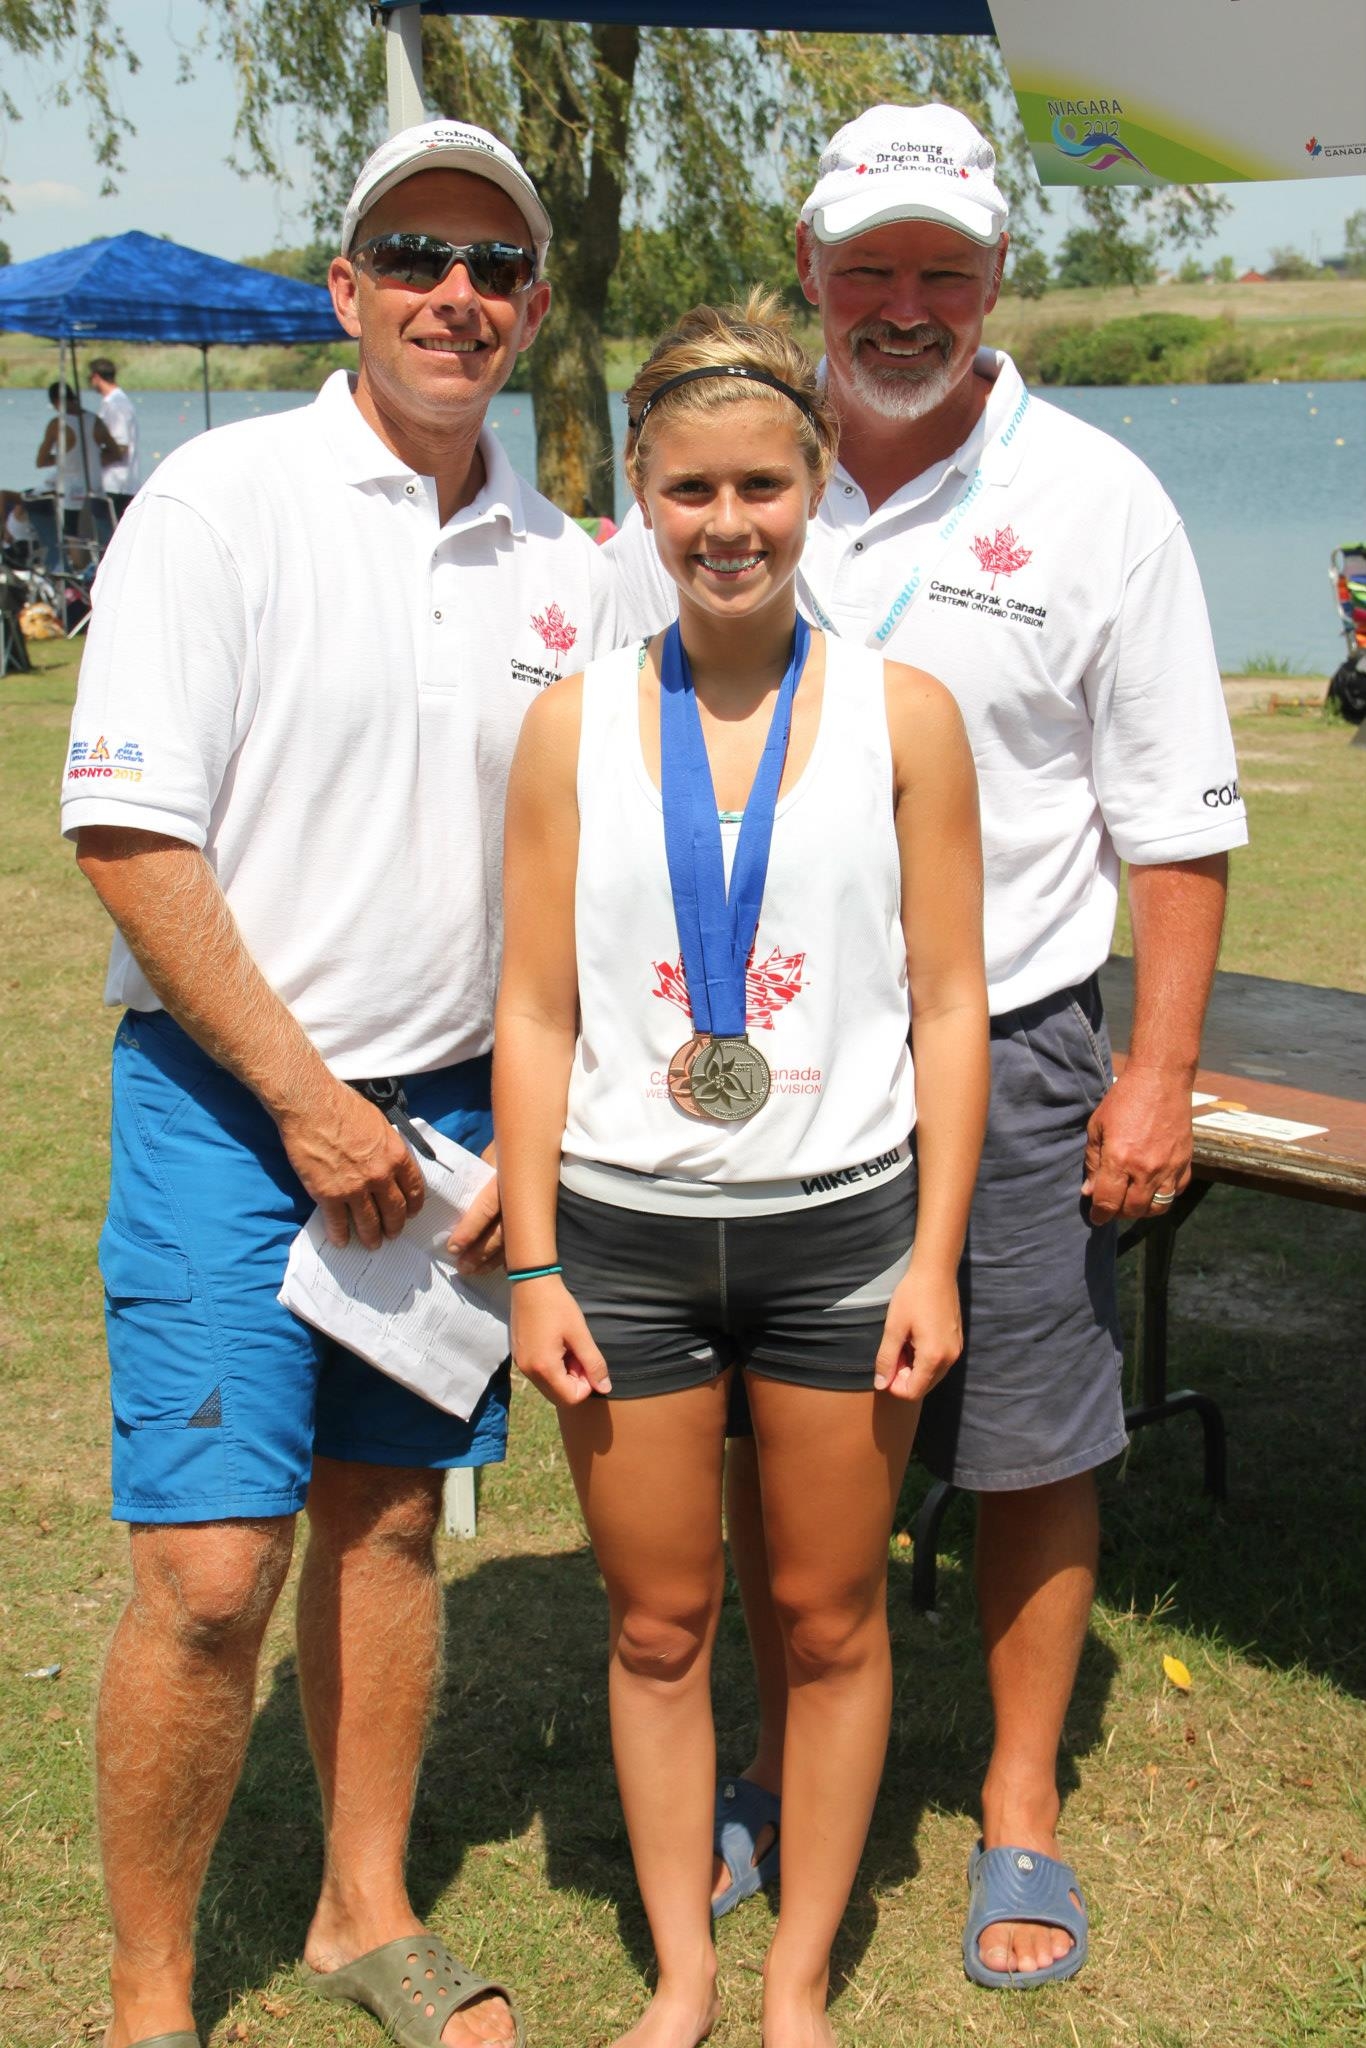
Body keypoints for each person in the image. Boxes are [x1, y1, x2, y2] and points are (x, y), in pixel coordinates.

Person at [605, 101, 1248, 1989]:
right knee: (757, 1416)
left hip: (1022, 1037)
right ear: (810, 268)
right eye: (868, 269)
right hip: (750, 1056)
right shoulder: (724, 463)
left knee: (1031, 1427)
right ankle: (757, 1757)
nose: (903, 305)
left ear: (994, 279)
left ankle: (1021, 1797)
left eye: (940, 272)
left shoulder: (1101, 495)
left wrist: (1156, 1069)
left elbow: (1180, 818)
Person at [62, 117, 616, 2048]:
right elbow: (130, 832)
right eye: (414, 253)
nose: (453, 291)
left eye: (490, 263)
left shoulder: (572, 562)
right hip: (236, 1102)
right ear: (348, 290)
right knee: (214, 1571)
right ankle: (149, 1995)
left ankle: (356, 1912)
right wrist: (305, 1101)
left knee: (386, 1526)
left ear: (531, 309)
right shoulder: (220, 501)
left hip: (451, 1114)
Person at [495, 293, 989, 2048]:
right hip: (624, 1245)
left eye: (763, 484)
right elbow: (537, 1012)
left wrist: (936, 1257)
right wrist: (535, 1261)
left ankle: (794, 1988)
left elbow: (947, 1003)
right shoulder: (569, 728)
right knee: (657, 1623)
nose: (727, 523)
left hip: (844, 1231)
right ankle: (685, 1979)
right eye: (690, 486)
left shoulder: (904, 716)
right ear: (637, 492)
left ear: (820, 479)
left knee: (829, 1612)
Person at [36, 380, 121, 511]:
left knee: (70, 530)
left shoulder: (57, 424)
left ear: (57, 401)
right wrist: (92, 458)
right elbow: (116, 454)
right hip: (96, 491)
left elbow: (41, 461)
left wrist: (66, 458)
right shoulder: (96, 421)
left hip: (71, 496)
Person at [89, 357, 142, 505]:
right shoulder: (110, 403)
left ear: (96, 377)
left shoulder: (117, 405)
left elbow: (120, 447)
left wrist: (91, 463)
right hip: (111, 482)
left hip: (118, 484)